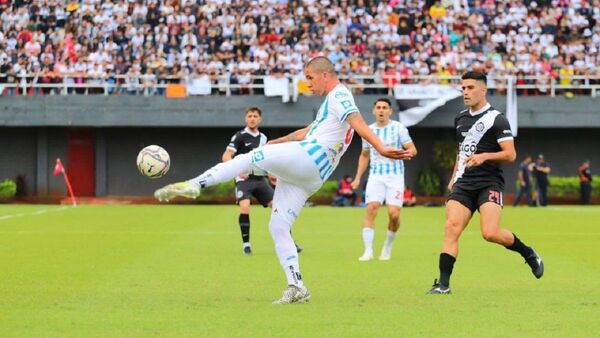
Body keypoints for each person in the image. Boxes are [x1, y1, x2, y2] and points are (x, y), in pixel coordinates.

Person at [154, 56, 411, 304]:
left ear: (325, 75)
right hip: (310, 175)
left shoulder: (340, 95)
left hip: (310, 158)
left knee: (250, 157)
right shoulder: (330, 104)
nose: (308, 84)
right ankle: (297, 285)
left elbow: (357, 121)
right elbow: (307, 132)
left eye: (310, 78)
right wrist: (276, 142)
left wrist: (380, 147)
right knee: (278, 226)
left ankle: (195, 184)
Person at [427, 71, 544, 295]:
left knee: (490, 233)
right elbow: (462, 152)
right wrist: (454, 177)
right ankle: (443, 284)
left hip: (489, 182)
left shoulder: (497, 119)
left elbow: (510, 155)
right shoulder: (460, 118)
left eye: (470, 88)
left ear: (483, 90)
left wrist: (485, 156)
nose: (465, 92)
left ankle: (528, 252)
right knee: (451, 228)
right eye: (463, 88)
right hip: (464, 182)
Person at [351, 98, 417, 261]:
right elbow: (364, 155)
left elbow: (412, 149)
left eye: (384, 107)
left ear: (390, 111)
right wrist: (358, 178)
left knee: (394, 214)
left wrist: (406, 154)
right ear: (374, 111)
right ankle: (368, 251)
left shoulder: (398, 128)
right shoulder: (368, 131)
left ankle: (387, 246)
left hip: (395, 177)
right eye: (378, 107)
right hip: (376, 176)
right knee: (371, 208)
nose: (381, 110)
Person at [221, 107, 272, 255]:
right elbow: (226, 155)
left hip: (260, 179)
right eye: (249, 116)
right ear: (245, 119)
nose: (252, 118)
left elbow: (267, 159)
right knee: (245, 207)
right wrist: (235, 170)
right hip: (244, 181)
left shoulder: (263, 138)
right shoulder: (240, 136)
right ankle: (246, 244)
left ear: (259, 119)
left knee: (278, 209)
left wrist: (272, 174)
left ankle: (290, 242)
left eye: (255, 116)